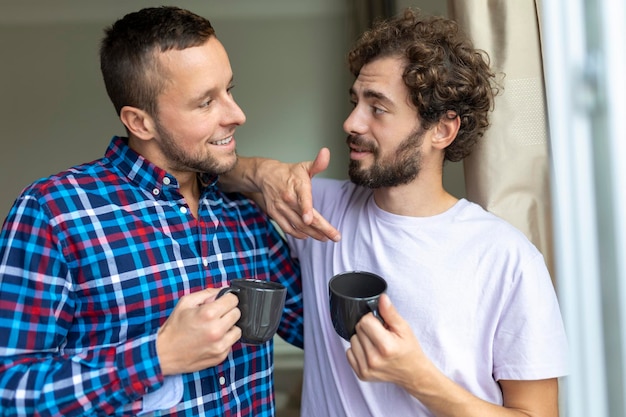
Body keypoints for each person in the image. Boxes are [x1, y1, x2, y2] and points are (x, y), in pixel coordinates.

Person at [223, 8, 569, 417]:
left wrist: (417, 377)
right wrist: (263, 172)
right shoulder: (318, 207)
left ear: (442, 129)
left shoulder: (507, 258)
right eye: (355, 102)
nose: (351, 122)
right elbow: (215, 173)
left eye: (378, 108)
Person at [0, 6, 303, 417]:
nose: (237, 114)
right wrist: (156, 357)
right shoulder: (52, 214)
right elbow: (9, 392)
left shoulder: (243, 210)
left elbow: (313, 327)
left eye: (230, 90)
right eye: (205, 103)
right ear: (139, 122)